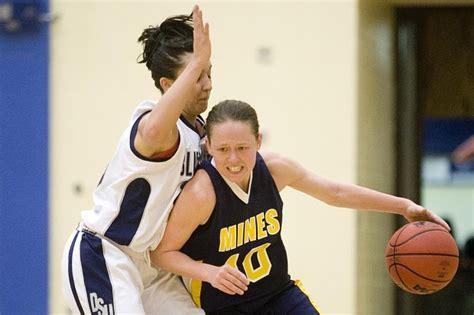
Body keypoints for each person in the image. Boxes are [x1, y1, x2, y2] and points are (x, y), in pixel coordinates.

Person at [150, 100, 451, 314]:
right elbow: (161, 254)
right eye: (223, 150)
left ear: (258, 140)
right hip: (225, 305)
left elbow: (334, 193)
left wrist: (404, 207)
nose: (233, 159)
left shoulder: (276, 169)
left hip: (278, 294)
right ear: (209, 147)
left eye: (242, 148)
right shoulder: (203, 193)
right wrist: (208, 272)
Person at [61, 5, 211, 314]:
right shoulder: (154, 125)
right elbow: (157, 129)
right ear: (168, 85)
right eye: (197, 76)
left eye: (209, 72)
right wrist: (196, 61)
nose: (208, 83)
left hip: (155, 268)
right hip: (105, 255)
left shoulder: (202, 134)